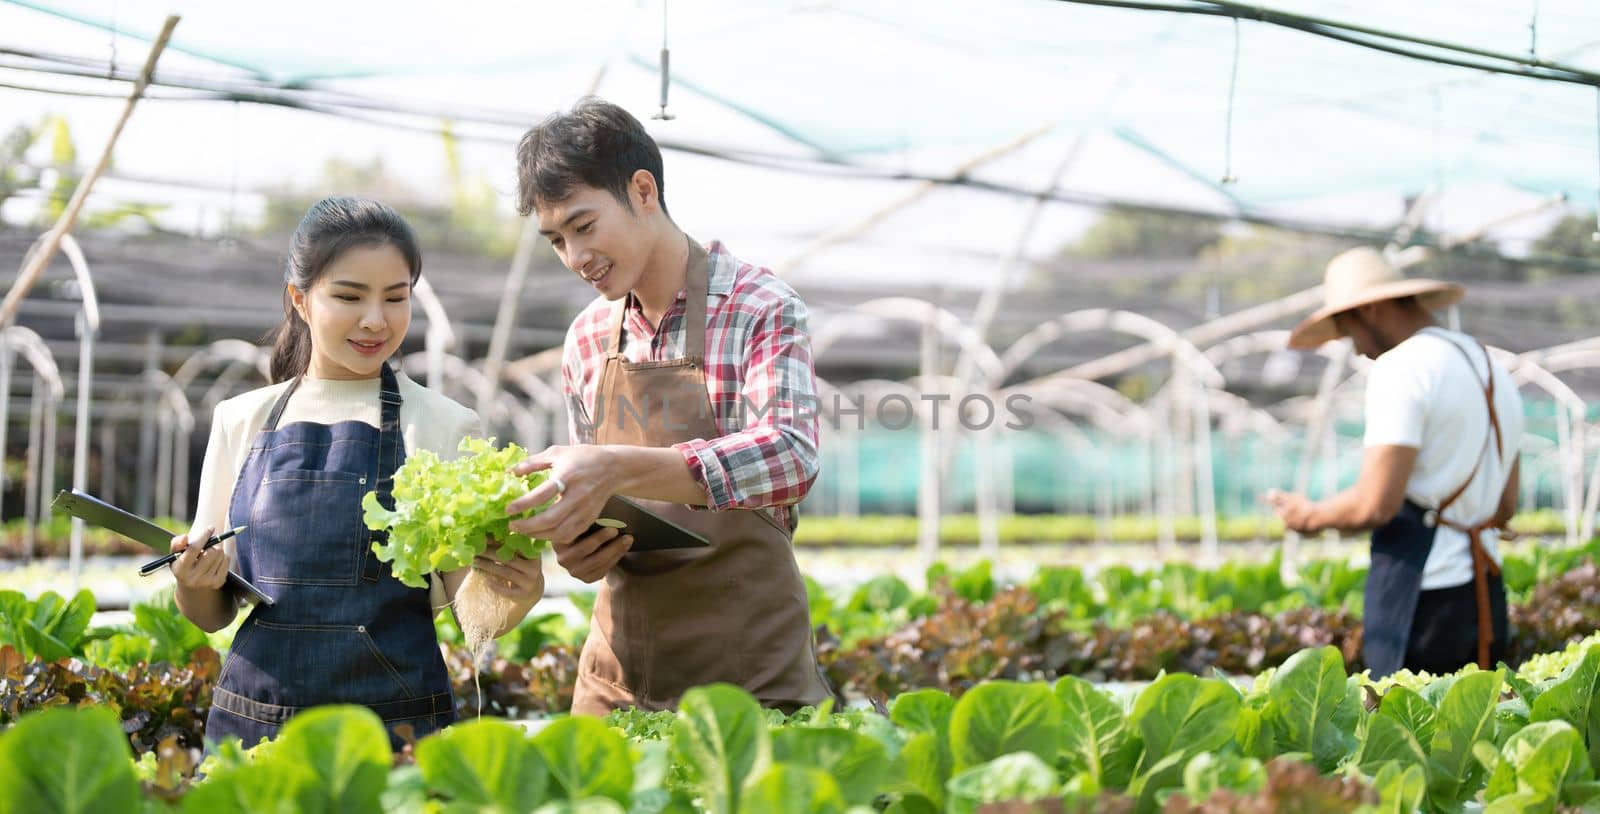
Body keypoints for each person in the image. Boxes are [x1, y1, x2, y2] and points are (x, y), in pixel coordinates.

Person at [170, 196, 546, 746]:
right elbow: (211, 613)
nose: (376, 320)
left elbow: (475, 613)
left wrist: (516, 591)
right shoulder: (240, 419)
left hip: (397, 729)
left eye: (396, 298)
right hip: (257, 724)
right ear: (300, 299)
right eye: (349, 296)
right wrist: (191, 581)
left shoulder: (444, 424)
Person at [502, 98, 834, 714]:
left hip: (749, 673)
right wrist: (576, 545)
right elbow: (596, 501)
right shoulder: (585, 338)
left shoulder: (757, 305)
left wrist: (615, 466)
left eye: (583, 226)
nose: (575, 258)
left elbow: (792, 455)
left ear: (643, 189)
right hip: (618, 674)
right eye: (555, 241)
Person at [1266, 246, 1522, 678]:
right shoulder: (1491, 367)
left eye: (1350, 333)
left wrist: (1309, 515)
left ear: (1370, 311)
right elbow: (1505, 506)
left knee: (1409, 737)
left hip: (1422, 602)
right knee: (1479, 736)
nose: (1359, 350)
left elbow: (1376, 504)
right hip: (1486, 598)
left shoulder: (1402, 367)